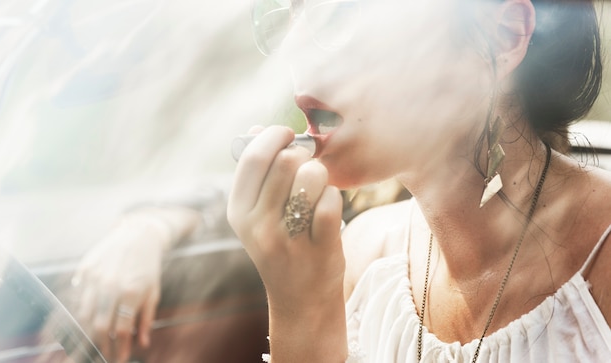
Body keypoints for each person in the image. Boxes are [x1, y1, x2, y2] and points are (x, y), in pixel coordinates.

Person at [227, 0, 611, 362]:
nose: (291, 51)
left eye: (340, 13)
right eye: (292, 13)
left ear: (503, 37)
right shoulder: (362, 262)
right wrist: (301, 312)